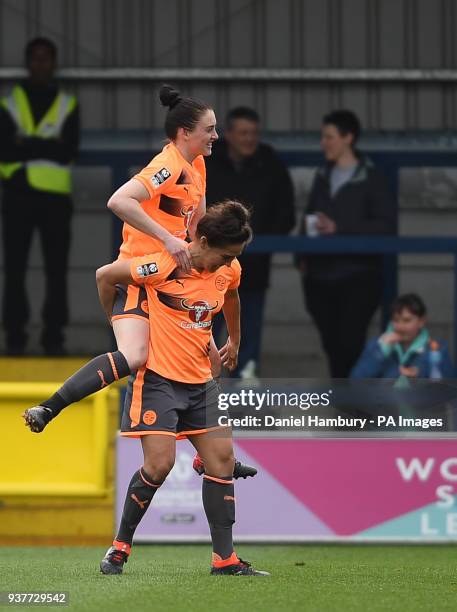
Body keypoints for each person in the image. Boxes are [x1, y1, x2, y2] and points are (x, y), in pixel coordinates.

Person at [22, 85, 256, 480]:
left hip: (172, 277)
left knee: (210, 366)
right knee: (134, 358)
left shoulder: (196, 166)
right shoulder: (167, 164)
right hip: (141, 276)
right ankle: (50, 407)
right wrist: (167, 240)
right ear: (185, 132)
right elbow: (119, 201)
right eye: (210, 129)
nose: (216, 135)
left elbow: (197, 227)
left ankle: (210, 456)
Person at [96, 201, 268, 576]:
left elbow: (233, 295)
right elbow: (106, 276)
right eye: (225, 255)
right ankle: (120, 546)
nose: (229, 263)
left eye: (234, 257)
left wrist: (234, 340)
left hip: (201, 383)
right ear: (202, 241)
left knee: (222, 460)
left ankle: (225, 559)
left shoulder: (229, 269)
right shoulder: (164, 264)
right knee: (159, 465)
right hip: (158, 380)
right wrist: (120, 325)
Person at [298, 110, 396, 378]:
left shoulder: (372, 178)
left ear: (348, 138)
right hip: (320, 276)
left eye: (329, 137)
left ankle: (353, 407)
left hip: (358, 276)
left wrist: (340, 228)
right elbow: (309, 217)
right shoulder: (322, 175)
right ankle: (347, 405)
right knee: (333, 345)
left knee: (349, 343)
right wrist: (302, 257)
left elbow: (386, 226)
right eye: (323, 137)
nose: (324, 143)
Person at [0, 37, 79, 355]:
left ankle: (54, 337)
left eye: (46, 58)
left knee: (56, 270)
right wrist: (48, 144)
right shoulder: (9, 104)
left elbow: (69, 151)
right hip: (18, 195)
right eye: (36, 58)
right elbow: (5, 149)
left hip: (55, 199)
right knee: (15, 268)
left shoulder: (67, 104)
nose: (41, 64)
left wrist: (26, 143)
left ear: (53, 62)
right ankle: (14, 337)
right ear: (28, 62)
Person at [206, 107, 295, 380]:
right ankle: (198, 393)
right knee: (201, 334)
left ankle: (243, 405)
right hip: (209, 271)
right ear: (229, 134)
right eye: (243, 133)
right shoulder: (208, 162)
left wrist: (252, 243)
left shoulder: (270, 164)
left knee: (245, 338)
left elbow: (286, 212)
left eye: (254, 133)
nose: (249, 139)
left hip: (253, 270)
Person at [351, 293, 455, 379]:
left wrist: (419, 373)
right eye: (396, 320)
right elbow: (356, 380)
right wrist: (381, 352)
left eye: (407, 320)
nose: (400, 327)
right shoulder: (377, 345)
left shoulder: (436, 348)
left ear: (421, 321)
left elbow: (448, 385)